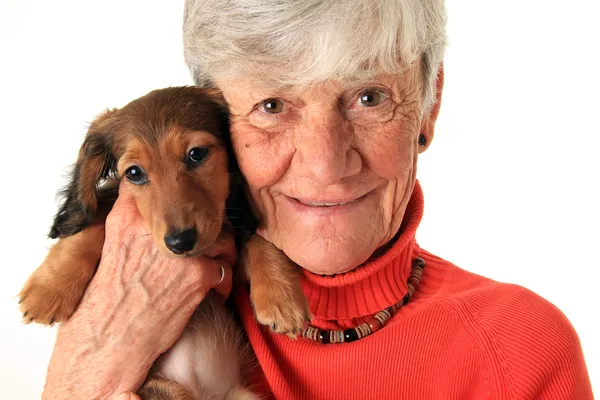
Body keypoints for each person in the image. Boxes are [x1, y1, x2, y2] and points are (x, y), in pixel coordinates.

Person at [42, 0, 594, 399]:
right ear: (222, 120)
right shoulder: (133, 299)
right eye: (272, 105)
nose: (326, 166)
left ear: (428, 104)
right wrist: (88, 366)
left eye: (368, 96)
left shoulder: (520, 350)